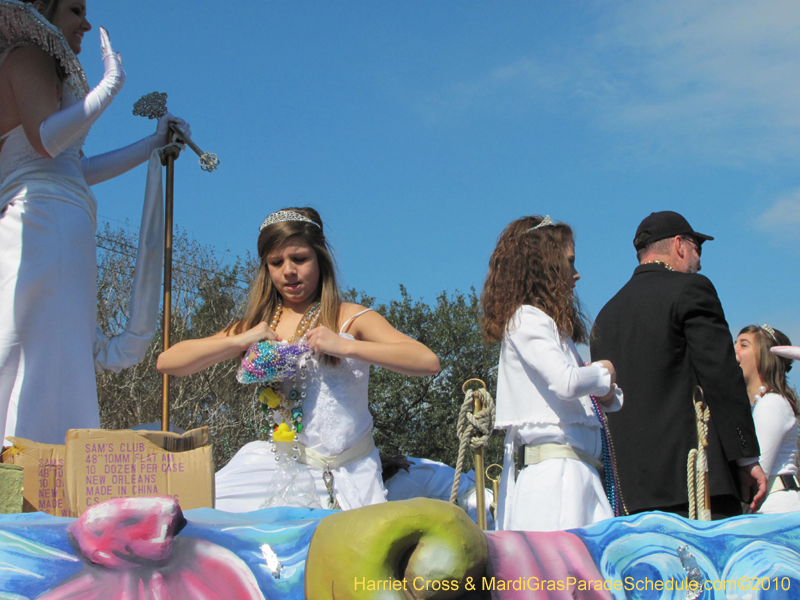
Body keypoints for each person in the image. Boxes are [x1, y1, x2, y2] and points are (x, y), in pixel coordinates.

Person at [158, 207, 440, 510]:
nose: (288, 271)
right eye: (276, 263)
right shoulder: (259, 324)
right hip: (282, 467)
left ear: (320, 259)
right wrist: (239, 340)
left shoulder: (349, 316)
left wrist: (346, 347)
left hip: (350, 471)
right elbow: (168, 362)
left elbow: (426, 361)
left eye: (300, 259)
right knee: (200, 511)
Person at [0, 0, 188, 445]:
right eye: (74, 9)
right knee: (30, 340)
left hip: (62, 217)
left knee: (59, 347)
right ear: (45, 6)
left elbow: (74, 169)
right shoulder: (28, 53)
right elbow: (46, 141)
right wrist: (110, 85)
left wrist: (151, 144)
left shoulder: (47, 63)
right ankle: (26, 453)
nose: (86, 22)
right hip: (41, 218)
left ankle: (48, 462)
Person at [591, 210, 767, 519]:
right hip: (696, 489)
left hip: (629, 496)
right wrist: (746, 458)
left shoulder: (605, 317)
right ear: (679, 245)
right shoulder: (691, 289)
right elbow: (721, 376)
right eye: (698, 248)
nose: (700, 260)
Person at [481, 215, 623, 531]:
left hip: (576, 475)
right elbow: (566, 382)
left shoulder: (554, 329)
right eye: (569, 262)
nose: (576, 274)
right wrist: (604, 372)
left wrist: (606, 389)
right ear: (546, 266)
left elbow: (585, 390)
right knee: (561, 578)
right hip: (557, 481)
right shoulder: (527, 319)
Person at [734, 325, 799, 514]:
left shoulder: (772, 403)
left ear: (764, 357)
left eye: (743, 345)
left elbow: (756, 471)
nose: (734, 350)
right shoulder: (760, 404)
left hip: (776, 510)